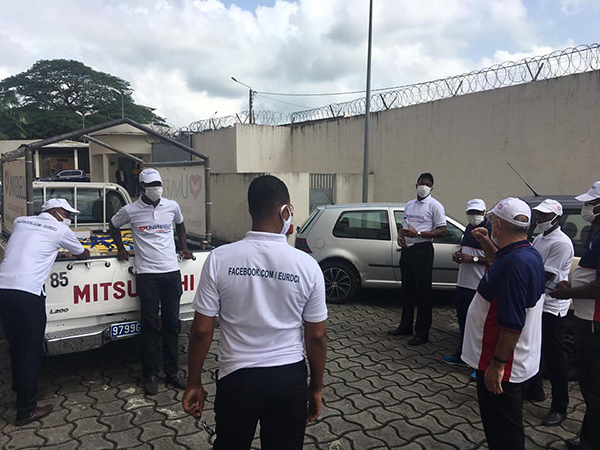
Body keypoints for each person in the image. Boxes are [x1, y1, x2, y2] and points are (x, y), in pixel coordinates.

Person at [182, 175, 327, 450]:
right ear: (285, 211)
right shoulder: (307, 266)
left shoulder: (220, 259)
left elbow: (201, 330)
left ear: (252, 210)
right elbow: (317, 337)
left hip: (237, 380)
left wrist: (194, 383)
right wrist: (316, 388)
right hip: (288, 379)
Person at [461, 198, 545, 450]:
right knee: (504, 426)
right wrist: (485, 242)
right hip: (513, 360)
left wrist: (497, 365)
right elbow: (497, 261)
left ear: (497, 225)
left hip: (501, 364)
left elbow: (512, 323)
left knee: (503, 431)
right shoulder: (524, 253)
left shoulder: (514, 264)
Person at [0, 198, 90, 425]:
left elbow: (33, 245)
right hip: (28, 293)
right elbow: (83, 254)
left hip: (4, 289)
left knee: (16, 346)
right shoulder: (60, 230)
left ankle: (22, 390)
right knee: (30, 350)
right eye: (67, 213)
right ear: (56, 211)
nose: (68, 218)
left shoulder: (21, 221)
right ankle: (26, 410)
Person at [110, 168, 193, 395]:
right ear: (141, 188)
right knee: (149, 325)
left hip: (171, 272)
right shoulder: (130, 210)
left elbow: (180, 225)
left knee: (172, 324)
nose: (156, 188)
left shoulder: (172, 206)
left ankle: (172, 372)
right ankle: (151, 374)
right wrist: (120, 248)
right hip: (147, 274)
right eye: (151, 185)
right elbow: (113, 225)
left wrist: (184, 247)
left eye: (158, 184)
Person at [551, 181, 600, 450]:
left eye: (591, 203)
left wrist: (568, 293)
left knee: (593, 387)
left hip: (593, 321)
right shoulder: (597, 232)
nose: (586, 208)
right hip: (587, 317)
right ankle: (588, 438)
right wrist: (572, 286)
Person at [523, 199, 574, 427]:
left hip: (553, 308)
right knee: (535, 349)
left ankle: (560, 407)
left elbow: (546, 275)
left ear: (556, 218)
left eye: (545, 215)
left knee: (555, 358)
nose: (540, 218)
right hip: (538, 303)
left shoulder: (561, 243)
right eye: (539, 215)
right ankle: (535, 390)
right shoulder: (539, 238)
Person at [388, 173, 447, 345]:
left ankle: (422, 333)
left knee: (423, 293)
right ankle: (405, 326)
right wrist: (401, 235)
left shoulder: (435, 206)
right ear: (416, 185)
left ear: (432, 188)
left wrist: (420, 234)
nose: (423, 187)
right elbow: (405, 225)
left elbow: (442, 230)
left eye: (427, 185)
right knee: (407, 290)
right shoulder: (409, 205)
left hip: (423, 250)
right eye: (421, 184)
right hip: (408, 250)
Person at [443, 199, 491, 367]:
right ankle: (463, 354)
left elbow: (495, 259)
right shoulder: (469, 229)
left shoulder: (490, 231)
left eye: (477, 213)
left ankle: (479, 362)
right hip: (464, 283)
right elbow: (467, 250)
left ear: (484, 213)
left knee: (479, 325)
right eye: (471, 213)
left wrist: (473, 259)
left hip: (479, 285)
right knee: (464, 321)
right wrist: (459, 254)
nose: (474, 216)